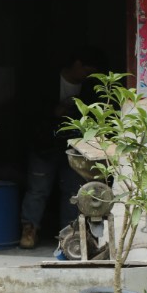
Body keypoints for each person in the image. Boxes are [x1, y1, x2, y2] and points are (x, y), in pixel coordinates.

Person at [19, 46, 107, 249]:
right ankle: (29, 230)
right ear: (77, 64)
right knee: (38, 189)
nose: (88, 76)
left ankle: (67, 236)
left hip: (75, 146)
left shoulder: (90, 86)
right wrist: (54, 112)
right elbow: (30, 111)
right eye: (86, 71)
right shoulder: (45, 81)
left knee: (72, 191)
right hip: (43, 144)